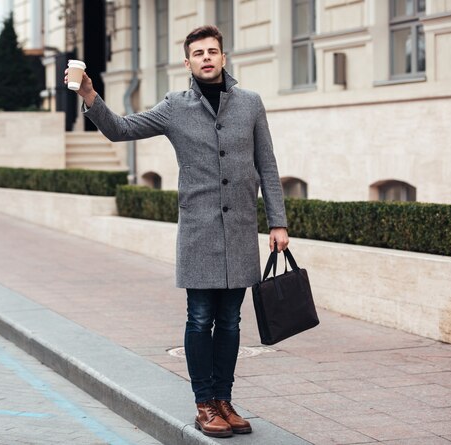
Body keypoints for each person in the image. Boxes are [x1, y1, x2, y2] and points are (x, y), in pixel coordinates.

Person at [66, 25, 289, 438]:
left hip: (240, 228)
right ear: (187, 63)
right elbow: (121, 129)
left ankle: (224, 399)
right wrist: (89, 97)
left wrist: (278, 221)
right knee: (200, 317)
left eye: (213, 51)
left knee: (232, 323)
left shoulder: (251, 104)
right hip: (199, 231)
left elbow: (268, 165)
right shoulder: (174, 106)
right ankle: (204, 403)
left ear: (224, 58)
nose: (206, 57)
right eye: (198, 53)